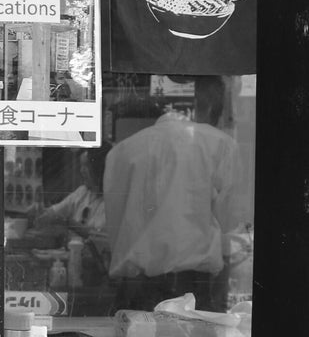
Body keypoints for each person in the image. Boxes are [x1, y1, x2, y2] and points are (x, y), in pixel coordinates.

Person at [103, 77, 244, 313]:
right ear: (211, 108)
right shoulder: (221, 145)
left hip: (135, 288)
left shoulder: (120, 152)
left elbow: (114, 225)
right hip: (193, 286)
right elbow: (230, 223)